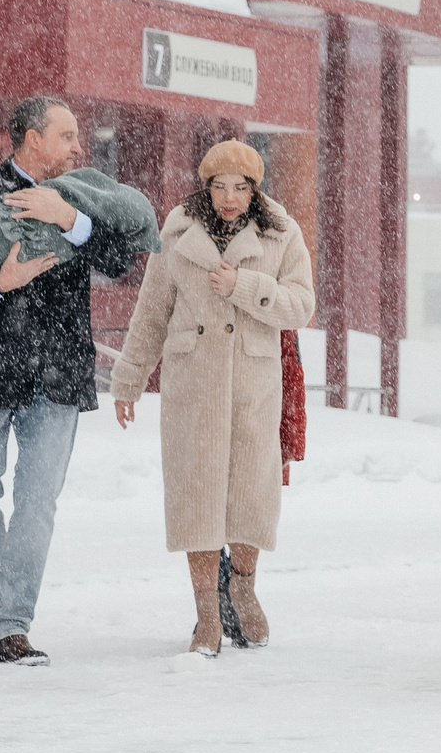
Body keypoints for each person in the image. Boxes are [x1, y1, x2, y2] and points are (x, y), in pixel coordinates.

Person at [0, 96, 147, 666]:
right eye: (66, 136)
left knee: (37, 504)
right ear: (32, 139)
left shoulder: (84, 196)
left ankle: (12, 625)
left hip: (57, 375)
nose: (77, 147)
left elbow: (121, 259)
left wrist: (68, 217)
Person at [110, 142, 317, 656]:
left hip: (252, 383)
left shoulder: (281, 232)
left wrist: (246, 286)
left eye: (240, 187)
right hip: (193, 382)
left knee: (251, 495)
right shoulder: (178, 232)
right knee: (197, 496)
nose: (229, 198)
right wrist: (129, 379)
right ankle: (206, 611)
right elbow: (153, 311)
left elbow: (302, 306)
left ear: (255, 190)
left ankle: (242, 584)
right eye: (220, 186)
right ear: (206, 186)